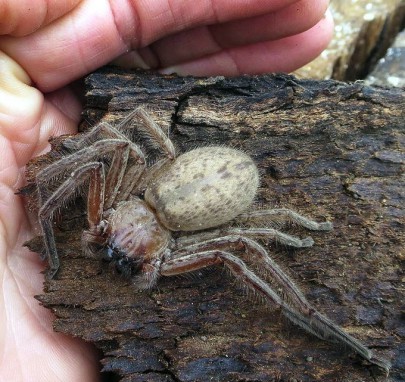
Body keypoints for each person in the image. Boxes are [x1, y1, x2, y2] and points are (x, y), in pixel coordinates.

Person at [0, 1, 333, 380]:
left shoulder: (192, 241)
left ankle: (307, 314)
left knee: (241, 249)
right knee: (104, 156)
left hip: (214, 194)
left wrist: (290, 221)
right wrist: (46, 187)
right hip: (177, 187)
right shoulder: (122, 188)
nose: (122, 245)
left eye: (113, 234)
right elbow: (111, 139)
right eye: (116, 234)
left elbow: (250, 241)